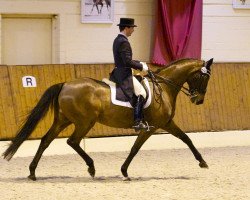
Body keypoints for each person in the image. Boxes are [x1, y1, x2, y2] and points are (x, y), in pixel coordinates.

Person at [110, 18, 149, 131]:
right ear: (126, 28)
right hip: (123, 74)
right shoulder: (124, 42)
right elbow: (127, 62)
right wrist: (141, 67)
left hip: (118, 71)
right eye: (132, 28)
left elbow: (125, 59)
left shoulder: (117, 39)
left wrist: (139, 62)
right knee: (141, 93)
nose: (133, 30)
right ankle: (138, 121)